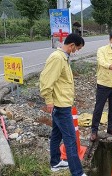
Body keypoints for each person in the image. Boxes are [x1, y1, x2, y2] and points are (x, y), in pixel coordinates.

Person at [39, 33, 87, 176]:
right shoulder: (57, 58)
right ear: (71, 45)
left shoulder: (63, 58)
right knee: (70, 139)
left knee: (56, 135)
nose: (76, 51)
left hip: (63, 103)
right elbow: (46, 81)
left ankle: (55, 162)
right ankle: (77, 173)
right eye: (77, 48)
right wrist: (48, 100)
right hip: (61, 106)